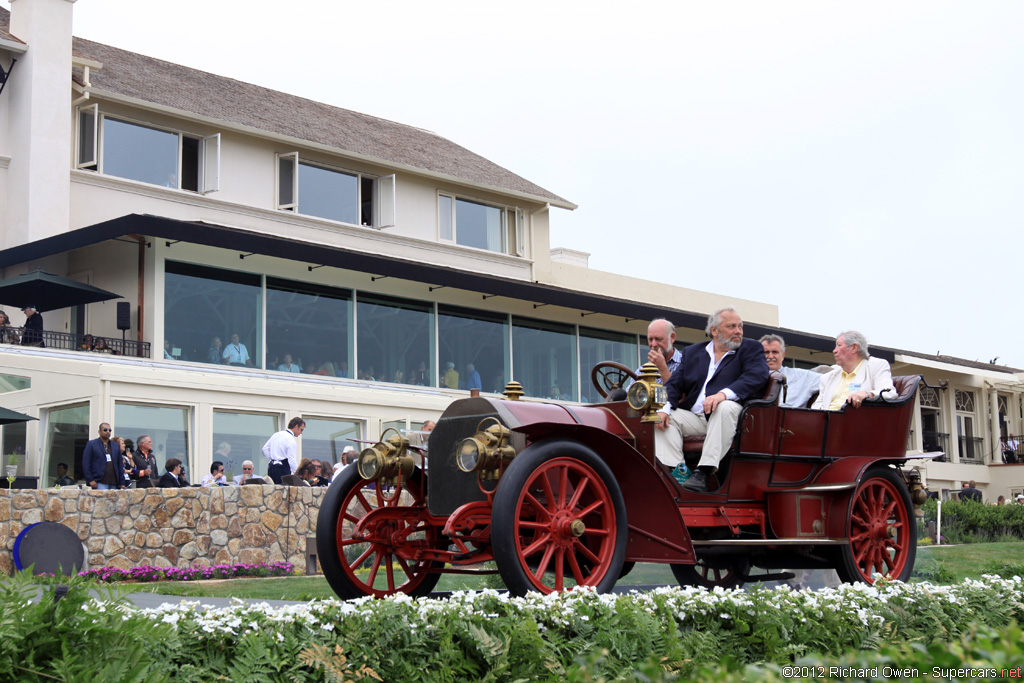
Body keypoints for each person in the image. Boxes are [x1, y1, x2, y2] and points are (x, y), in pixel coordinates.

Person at [657, 307, 769, 493]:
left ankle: (703, 472)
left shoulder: (751, 348)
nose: (738, 331)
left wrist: (723, 394)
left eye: (740, 327)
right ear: (715, 331)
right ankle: (677, 476)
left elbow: (757, 376)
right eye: (732, 326)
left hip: (733, 417)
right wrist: (664, 407)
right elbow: (674, 384)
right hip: (697, 417)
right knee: (661, 417)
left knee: (724, 407)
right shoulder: (693, 352)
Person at [811, 331, 897, 410]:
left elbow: (890, 393)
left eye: (839, 345)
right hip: (827, 422)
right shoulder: (828, 377)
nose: (834, 351)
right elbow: (816, 407)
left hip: (855, 422)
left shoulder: (876, 365)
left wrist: (867, 394)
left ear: (854, 348)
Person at [759, 334, 820, 408]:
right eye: (766, 352)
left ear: (783, 355)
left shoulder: (801, 376)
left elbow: (828, 380)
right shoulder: (750, 378)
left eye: (775, 352)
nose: (771, 356)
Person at [262, 417, 305, 484]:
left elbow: (265, 448)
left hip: (271, 467)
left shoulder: (276, 434)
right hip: (283, 469)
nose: (301, 433)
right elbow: (292, 460)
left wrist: (273, 459)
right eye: (301, 430)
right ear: (297, 427)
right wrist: (298, 474)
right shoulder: (291, 440)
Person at [82, 422, 125, 490]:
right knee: (101, 501)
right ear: (99, 432)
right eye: (105, 430)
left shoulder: (115, 446)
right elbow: (86, 463)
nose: (108, 432)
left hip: (114, 482)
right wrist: (90, 479)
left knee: (112, 500)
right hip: (99, 481)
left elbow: (120, 464)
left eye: (109, 430)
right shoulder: (92, 444)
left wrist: (122, 482)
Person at [638, 318, 682, 384]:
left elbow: (679, 393)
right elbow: (630, 393)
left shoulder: (685, 364)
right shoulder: (642, 370)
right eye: (650, 339)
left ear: (672, 337)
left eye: (658, 339)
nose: (653, 344)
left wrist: (662, 368)